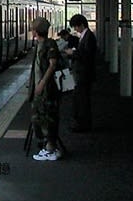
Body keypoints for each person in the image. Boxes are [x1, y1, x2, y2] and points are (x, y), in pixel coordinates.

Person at [28, 16, 62, 161]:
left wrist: (41, 83)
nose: (31, 31)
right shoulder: (39, 45)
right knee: (38, 118)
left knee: (48, 118)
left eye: (32, 29)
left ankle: (50, 149)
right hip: (39, 89)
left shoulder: (50, 44)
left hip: (47, 89)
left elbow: (52, 65)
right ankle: (46, 146)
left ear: (36, 31)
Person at [64, 14, 97, 132]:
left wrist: (72, 53)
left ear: (81, 25)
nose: (75, 30)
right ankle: (81, 123)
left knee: (82, 100)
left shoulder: (89, 37)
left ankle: (83, 125)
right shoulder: (86, 36)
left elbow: (87, 55)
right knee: (80, 99)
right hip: (81, 73)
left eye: (76, 27)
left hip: (84, 74)